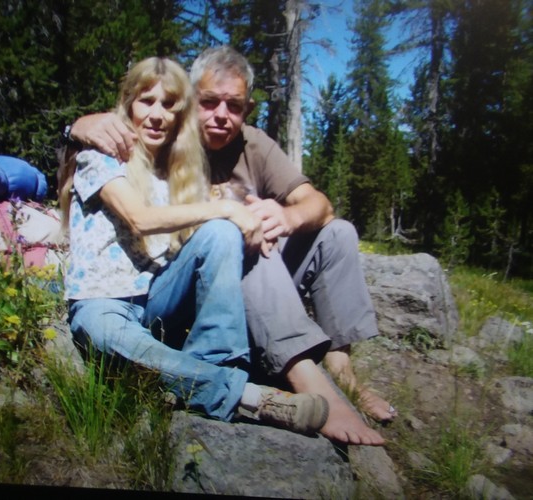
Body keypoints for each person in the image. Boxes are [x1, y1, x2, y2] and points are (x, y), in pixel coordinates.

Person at [69, 47, 391, 446]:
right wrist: (80, 125)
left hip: (210, 281)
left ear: (247, 108)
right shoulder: (152, 143)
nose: (221, 114)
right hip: (169, 281)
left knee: (333, 232)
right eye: (208, 102)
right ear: (192, 103)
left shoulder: (250, 145)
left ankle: (339, 374)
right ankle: (285, 377)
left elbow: (320, 205)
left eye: (234, 106)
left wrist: (286, 217)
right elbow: (110, 156)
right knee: (235, 231)